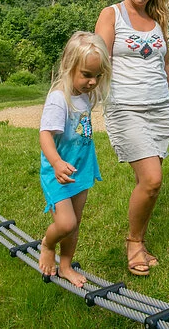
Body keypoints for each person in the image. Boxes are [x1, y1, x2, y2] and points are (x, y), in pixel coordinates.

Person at [95, 0, 169, 276]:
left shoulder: (157, 22)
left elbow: (165, 65)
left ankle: (139, 239)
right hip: (125, 107)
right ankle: (132, 242)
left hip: (159, 111)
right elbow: (96, 60)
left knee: (148, 183)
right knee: (153, 180)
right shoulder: (111, 15)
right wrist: (78, 101)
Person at [38, 31, 111, 287]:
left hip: (80, 168)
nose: (92, 82)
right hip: (58, 172)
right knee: (66, 223)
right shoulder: (60, 99)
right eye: (87, 75)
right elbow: (45, 135)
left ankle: (66, 265)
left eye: (98, 76)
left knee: (75, 223)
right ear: (69, 67)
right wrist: (57, 163)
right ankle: (47, 245)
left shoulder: (85, 95)